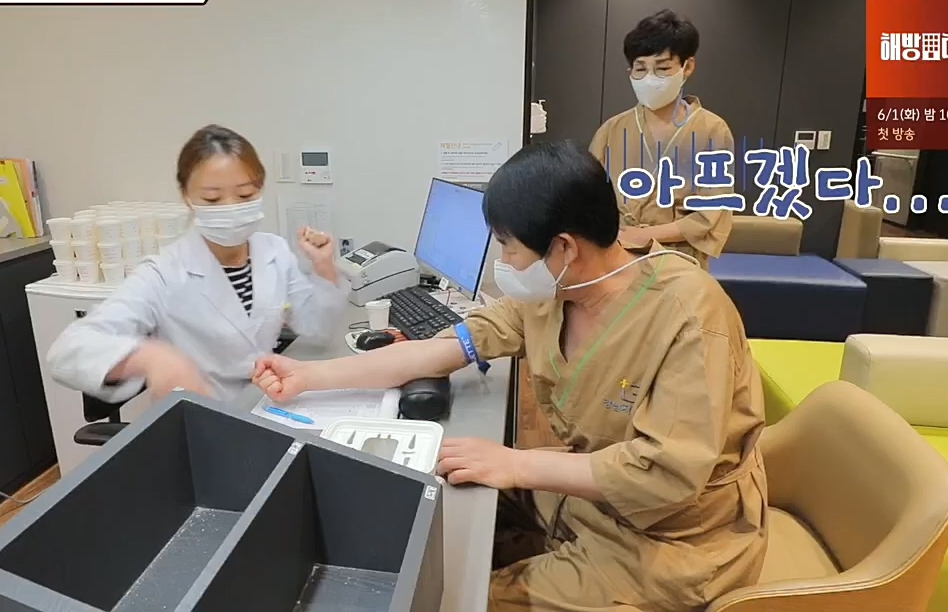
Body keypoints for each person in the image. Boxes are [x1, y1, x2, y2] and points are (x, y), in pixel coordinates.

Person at [253, 141, 767, 612]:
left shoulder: (689, 316)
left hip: (672, 539)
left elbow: (665, 478)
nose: (503, 262)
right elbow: (439, 351)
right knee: (435, 500)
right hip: (591, 499)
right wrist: (310, 376)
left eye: (508, 246)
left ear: (564, 248)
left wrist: (515, 464)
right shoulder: (553, 293)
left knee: (459, 597)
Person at [47, 124, 350, 402]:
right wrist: (153, 358)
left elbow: (318, 329)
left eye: (245, 194)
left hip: (266, 399)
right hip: (203, 410)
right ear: (187, 196)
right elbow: (67, 352)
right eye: (213, 199)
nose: (231, 208)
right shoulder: (164, 272)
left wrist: (323, 266)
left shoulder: (275, 251)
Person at [588, 9, 736, 268]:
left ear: (687, 67)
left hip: (679, 261)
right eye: (640, 69)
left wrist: (645, 235)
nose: (649, 79)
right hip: (617, 258)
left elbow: (710, 213)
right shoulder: (611, 130)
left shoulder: (712, 131)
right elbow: (588, 199)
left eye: (663, 68)